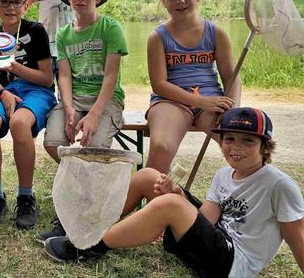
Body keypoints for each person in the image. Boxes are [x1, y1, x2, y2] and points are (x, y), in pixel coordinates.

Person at [44, 107, 304, 277]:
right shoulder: (224, 175)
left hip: (231, 263)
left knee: (170, 204)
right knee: (149, 176)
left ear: (265, 146)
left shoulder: (278, 185)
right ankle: (90, 225)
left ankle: (88, 247)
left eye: (248, 140)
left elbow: (297, 238)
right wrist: (177, 193)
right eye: (229, 139)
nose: (236, 148)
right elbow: (206, 218)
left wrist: (174, 203)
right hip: (206, 244)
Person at [37, 0, 128, 242]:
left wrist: (93, 116)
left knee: (93, 150)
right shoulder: (64, 34)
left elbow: (111, 76)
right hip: (74, 98)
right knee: (54, 142)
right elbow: (63, 75)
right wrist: (68, 109)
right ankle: (84, 201)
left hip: (106, 98)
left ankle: (76, 211)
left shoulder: (110, 28)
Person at [0, 0, 56, 230]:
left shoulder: (36, 31)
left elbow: (47, 78)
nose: (11, 7)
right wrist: (3, 94)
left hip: (36, 92)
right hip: (4, 93)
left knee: (20, 123)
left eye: (17, 1)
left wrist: (15, 67)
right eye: (4, 1)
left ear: (25, 6)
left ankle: (26, 196)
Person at [146, 0, 241, 173]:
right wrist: (199, 101)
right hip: (171, 101)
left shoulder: (216, 33)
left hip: (211, 101)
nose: (181, 0)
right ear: (164, 0)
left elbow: (232, 78)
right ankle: (155, 201)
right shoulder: (157, 37)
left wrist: (232, 110)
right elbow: (159, 85)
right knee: (161, 146)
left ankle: (252, 194)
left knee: (241, 142)